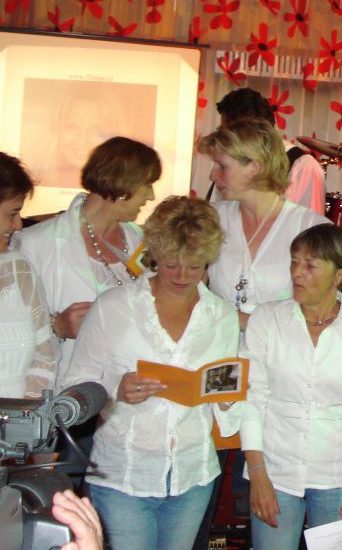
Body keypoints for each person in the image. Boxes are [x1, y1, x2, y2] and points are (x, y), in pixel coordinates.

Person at [62, 196, 241, 550]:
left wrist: (226, 397)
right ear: (154, 253)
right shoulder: (113, 307)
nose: (183, 276)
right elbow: (72, 385)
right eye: (172, 265)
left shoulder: (221, 316)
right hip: (123, 475)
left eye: (195, 266)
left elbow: (226, 401)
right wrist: (115, 390)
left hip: (193, 474)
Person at [241, 224, 342, 550]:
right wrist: (257, 475)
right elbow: (252, 399)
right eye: (294, 262)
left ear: (340, 275)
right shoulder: (267, 319)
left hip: (337, 475)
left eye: (310, 265)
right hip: (274, 470)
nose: (297, 273)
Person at [17, 136, 161, 385]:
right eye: (147, 184)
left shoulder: (146, 243)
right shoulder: (35, 243)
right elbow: (11, 328)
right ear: (122, 184)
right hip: (67, 389)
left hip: (130, 390)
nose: (151, 196)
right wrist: (56, 327)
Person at [201, 118, 330, 329]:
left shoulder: (311, 227)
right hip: (217, 345)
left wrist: (243, 321)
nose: (212, 175)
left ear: (255, 167)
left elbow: (320, 314)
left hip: (282, 346)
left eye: (222, 166)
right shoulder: (211, 218)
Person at [214, 87, 325, 215]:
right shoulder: (230, 164)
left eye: (226, 133)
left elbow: (312, 224)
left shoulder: (303, 166)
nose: (224, 139)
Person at [0, 152, 55, 397]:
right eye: (12, 214)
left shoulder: (18, 268)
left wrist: (25, 412)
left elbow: (44, 357)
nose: (18, 225)